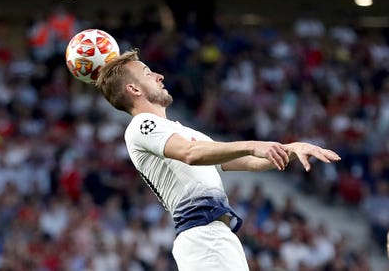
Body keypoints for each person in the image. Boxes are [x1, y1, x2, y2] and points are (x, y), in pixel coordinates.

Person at [94, 49, 341, 271]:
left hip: (216, 236)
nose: (159, 76)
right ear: (134, 89)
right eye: (148, 73)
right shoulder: (141, 125)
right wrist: (253, 144)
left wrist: (290, 149)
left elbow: (246, 161)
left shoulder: (185, 132)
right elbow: (191, 154)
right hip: (202, 236)